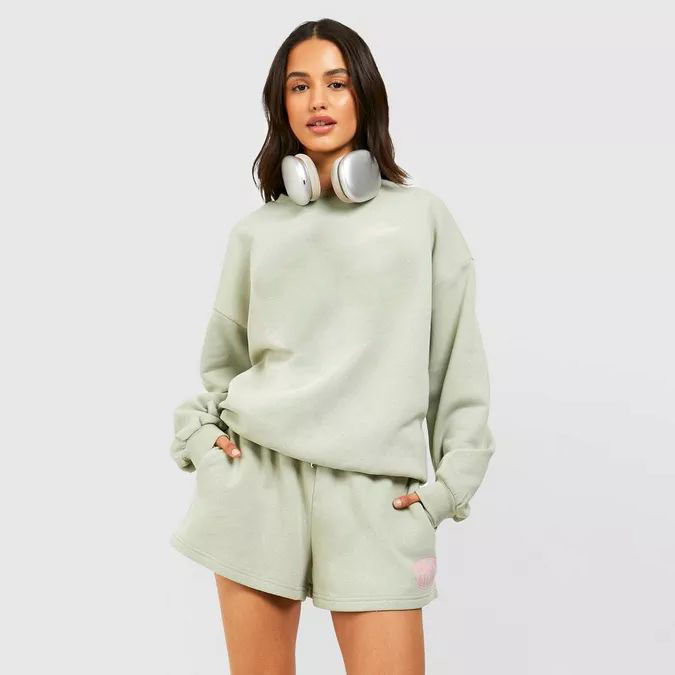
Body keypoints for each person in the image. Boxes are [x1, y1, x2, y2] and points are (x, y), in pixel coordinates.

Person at [169, 18, 496, 675]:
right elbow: (222, 368)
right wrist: (202, 442)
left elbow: (455, 366)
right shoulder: (256, 233)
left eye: (336, 83)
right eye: (299, 86)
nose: (317, 100)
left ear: (364, 95)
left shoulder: (421, 219)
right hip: (257, 484)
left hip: (375, 495)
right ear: (281, 105)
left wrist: (446, 490)